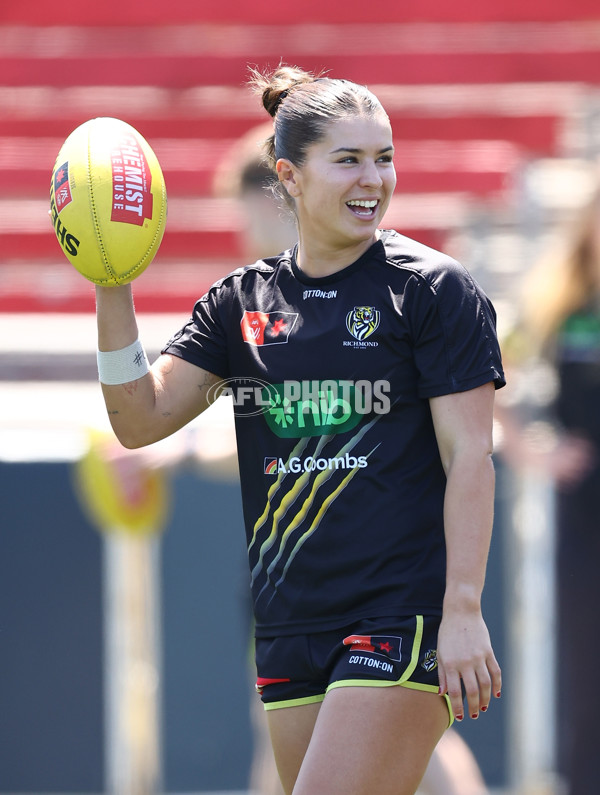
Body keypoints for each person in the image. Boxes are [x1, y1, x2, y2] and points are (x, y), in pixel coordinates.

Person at [93, 65, 504, 795]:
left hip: (397, 614)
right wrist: (111, 281)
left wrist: (464, 608)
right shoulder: (239, 302)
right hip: (288, 624)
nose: (372, 179)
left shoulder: (433, 290)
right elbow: (137, 417)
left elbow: (471, 453)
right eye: (347, 159)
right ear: (288, 174)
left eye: (383, 157)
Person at [497, 186, 600, 795]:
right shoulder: (561, 305)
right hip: (584, 510)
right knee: (586, 663)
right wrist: (532, 451)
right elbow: (491, 374)